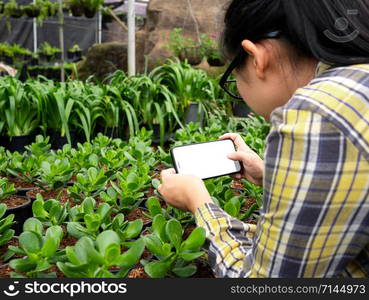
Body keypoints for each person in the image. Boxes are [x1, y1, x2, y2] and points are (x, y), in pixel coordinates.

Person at [158, 0, 369, 278]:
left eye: (234, 79)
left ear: (256, 57)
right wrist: (272, 175)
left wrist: (198, 202)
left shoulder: (316, 112)